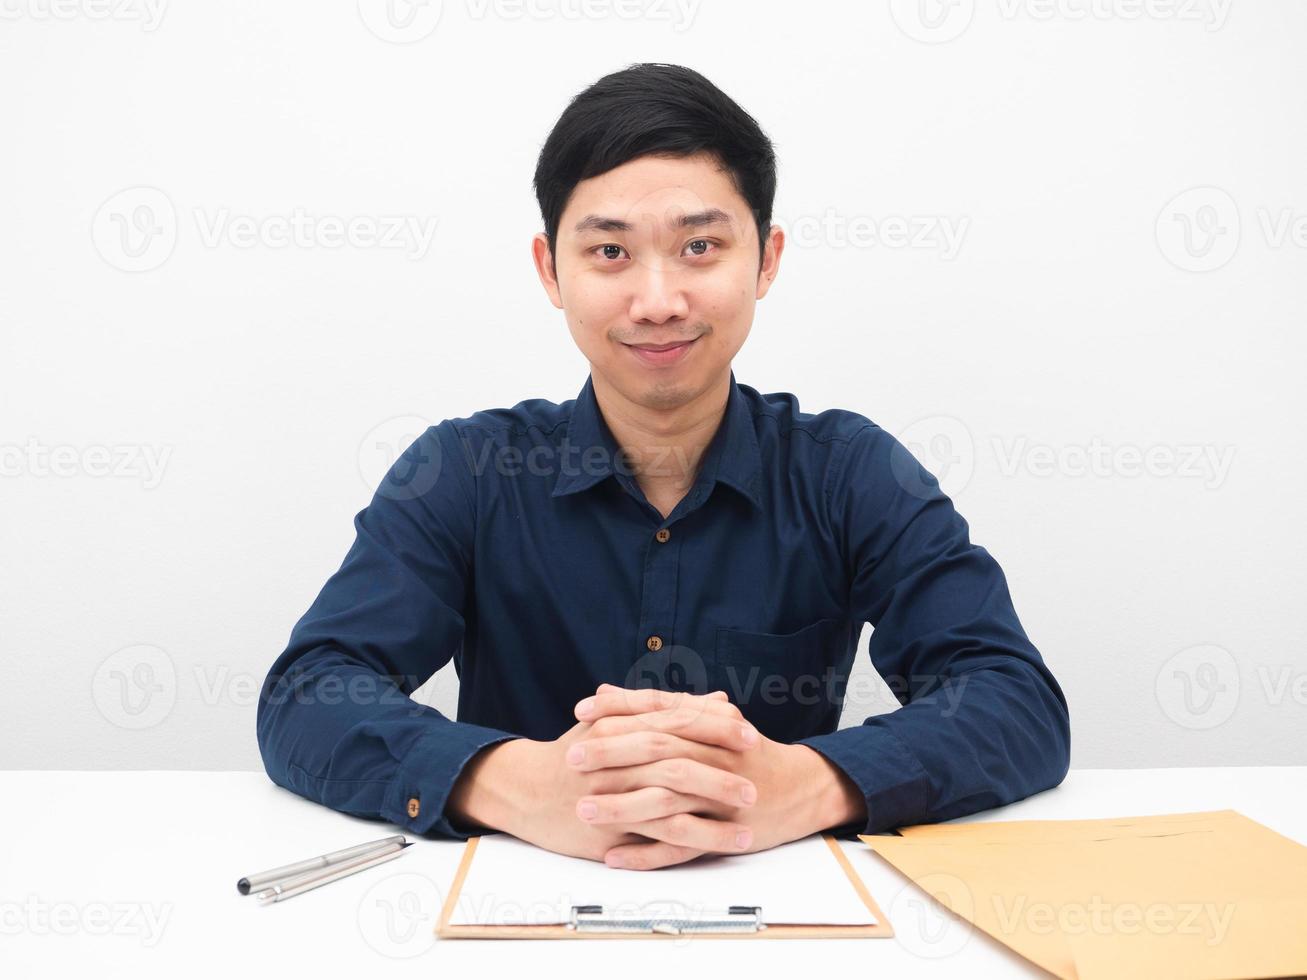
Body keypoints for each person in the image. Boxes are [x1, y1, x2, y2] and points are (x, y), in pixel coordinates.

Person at [256, 62, 1070, 872]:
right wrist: (513, 783)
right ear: (550, 269)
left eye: (699, 247)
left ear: (766, 259)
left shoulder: (847, 472)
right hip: (518, 902)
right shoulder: (464, 471)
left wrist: (809, 783)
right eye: (609, 250)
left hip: (782, 902)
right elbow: (310, 692)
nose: (657, 300)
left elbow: (1012, 698)